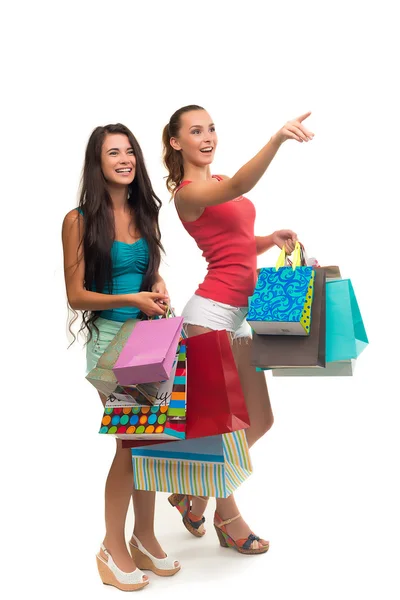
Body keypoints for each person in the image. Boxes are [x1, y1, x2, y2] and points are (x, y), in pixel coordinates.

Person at [162, 105, 314, 554]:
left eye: (211, 128)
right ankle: (227, 520)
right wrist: (276, 140)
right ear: (176, 143)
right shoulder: (188, 192)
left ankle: (194, 495)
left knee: (260, 420)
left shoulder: (217, 182)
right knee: (223, 426)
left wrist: (267, 240)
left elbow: (232, 244)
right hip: (208, 317)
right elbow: (240, 186)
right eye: (195, 131)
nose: (207, 137)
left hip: (239, 317)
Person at [62, 123, 180, 591]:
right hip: (111, 347)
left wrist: (157, 287)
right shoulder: (79, 220)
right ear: (98, 162)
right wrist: (132, 300)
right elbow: (76, 295)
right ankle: (112, 549)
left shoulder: (144, 210)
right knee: (132, 445)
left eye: (130, 151)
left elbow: (147, 274)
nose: (125, 159)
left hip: (149, 341)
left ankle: (144, 538)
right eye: (114, 153)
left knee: (151, 443)